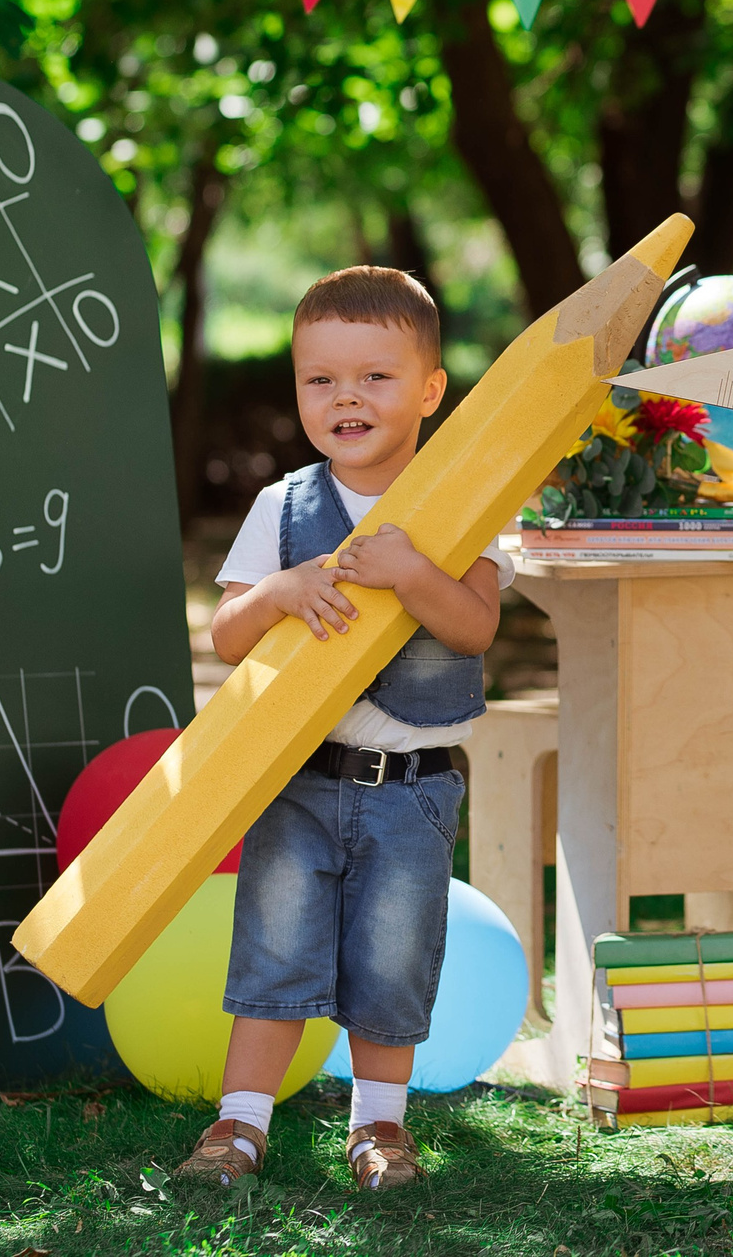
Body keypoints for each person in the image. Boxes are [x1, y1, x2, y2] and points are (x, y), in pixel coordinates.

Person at [172, 266, 508, 1194]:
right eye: (321, 380)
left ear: (431, 389)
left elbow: (476, 627)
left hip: (412, 785)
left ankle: (379, 1127)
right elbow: (229, 633)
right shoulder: (283, 507)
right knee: (274, 949)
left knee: (392, 957)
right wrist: (278, 590)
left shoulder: (462, 502)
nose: (346, 397)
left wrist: (411, 571)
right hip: (298, 778)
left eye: (376, 377)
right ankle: (240, 1124)